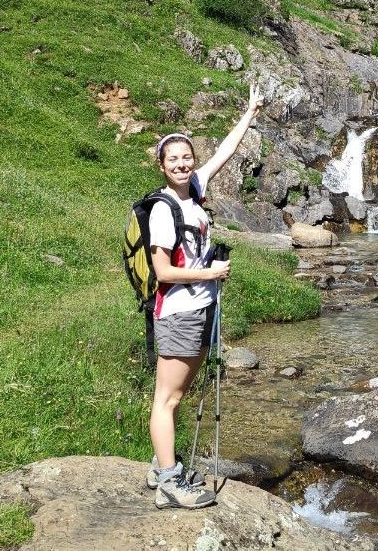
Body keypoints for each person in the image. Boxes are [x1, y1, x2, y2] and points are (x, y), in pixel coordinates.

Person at [146, 83, 264, 509]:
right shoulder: (163, 209)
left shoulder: (194, 189)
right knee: (167, 397)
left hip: (200, 306)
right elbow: (162, 271)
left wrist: (249, 113)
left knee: (177, 393)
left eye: (186, 157)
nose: (182, 164)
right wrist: (209, 272)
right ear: (161, 166)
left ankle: (162, 464)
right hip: (178, 310)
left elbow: (225, 152)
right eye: (173, 160)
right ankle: (167, 481)